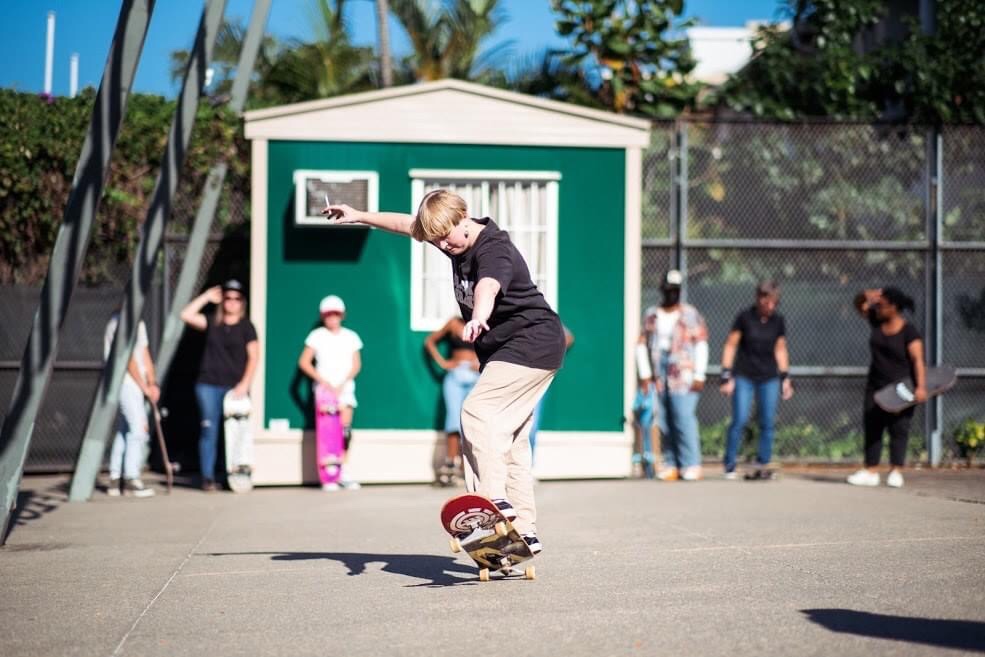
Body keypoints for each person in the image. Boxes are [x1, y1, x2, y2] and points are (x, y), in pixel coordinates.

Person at [322, 189, 566, 554]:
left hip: (531, 342)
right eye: (435, 239)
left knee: (476, 412)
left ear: (463, 218)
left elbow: (489, 284)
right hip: (518, 349)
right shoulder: (449, 237)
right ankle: (524, 529)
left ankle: (492, 502)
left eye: (445, 237)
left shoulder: (493, 247)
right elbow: (406, 224)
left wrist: (480, 316)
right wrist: (359, 215)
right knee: (511, 439)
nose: (443, 246)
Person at [179, 280, 259, 491]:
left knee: (234, 431)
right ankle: (207, 477)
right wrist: (206, 296)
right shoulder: (213, 322)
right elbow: (185, 315)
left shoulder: (247, 327)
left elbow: (254, 357)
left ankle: (230, 474)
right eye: (228, 298)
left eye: (236, 298)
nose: (232, 302)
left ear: (242, 302)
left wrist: (244, 384)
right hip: (208, 385)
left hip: (234, 388)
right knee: (209, 429)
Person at [848, 287, 926, 488]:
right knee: (873, 426)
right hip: (876, 385)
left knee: (899, 428)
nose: (877, 307)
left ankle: (896, 470)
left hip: (902, 387)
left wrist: (921, 387)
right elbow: (859, 306)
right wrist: (867, 295)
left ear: (894, 307)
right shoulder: (877, 322)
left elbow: (918, 360)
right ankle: (871, 470)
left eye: (882, 304)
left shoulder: (909, 331)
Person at [719, 281, 795, 481]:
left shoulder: (778, 321)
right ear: (759, 299)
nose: (770, 306)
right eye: (767, 301)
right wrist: (726, 375)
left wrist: (785, 377)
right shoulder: (745, 318)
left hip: (769, 377)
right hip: (744, 375)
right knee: (740, 419)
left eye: (774, 303)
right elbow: (730, 345)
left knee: (768, 422)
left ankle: (763, 463)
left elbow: (780, 349)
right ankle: (729, 464)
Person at [298, 295, 364, 491]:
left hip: (345, 390)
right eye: (328, 314)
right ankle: (328, 474)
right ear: (323, 316)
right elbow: (304, 362)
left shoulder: (351, 336)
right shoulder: (316, 336)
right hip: (324, 393)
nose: (332, 318)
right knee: (328, 433)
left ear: (342, 315)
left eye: (335, 314)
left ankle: (341, 471)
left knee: (345, 431)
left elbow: (356, 364)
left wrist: (343, 383)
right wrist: (323, 382)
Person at [649, 270, 708, 482]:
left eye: (675, 290)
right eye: (668, 289)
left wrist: (700, 373)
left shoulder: (690, 314)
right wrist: (646, 374)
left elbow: (700, 343)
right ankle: (672, 462)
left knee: (683, 417)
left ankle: (691, 463)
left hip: (683, 373)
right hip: (660, 373)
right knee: (664, 419)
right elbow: (642, 343)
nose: (671, 294)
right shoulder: (652, 314)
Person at [104, 312, 160, 497]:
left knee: (125, 429)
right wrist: (145, 388)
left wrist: (152, 383)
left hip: (138, 384)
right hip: (125, 382)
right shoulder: (118, 322)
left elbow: (144, 353)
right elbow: (127, 359)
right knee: (138, 429)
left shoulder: (139, 323)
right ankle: (131, 478)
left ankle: (115, 478)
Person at [424, 316, 479, 487]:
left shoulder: (483, 323)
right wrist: (442, 362)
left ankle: (467, 468)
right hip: (455, 374)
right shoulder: (453, 323)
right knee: (453, 419)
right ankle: (450, 465)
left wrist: (481, 362)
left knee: (470, 422)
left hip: (476, 375)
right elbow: (430, 342)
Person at [527, 325, 574, 468]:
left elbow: (569, 337)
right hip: (512, 379)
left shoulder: (544, 318)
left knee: (531, 426)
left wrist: (547, 355)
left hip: (537, 382)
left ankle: (527, 468)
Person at [632, 307, 660, 478]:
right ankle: (642, 462)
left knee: (654, 423)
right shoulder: (646, 338)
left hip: (666, 384)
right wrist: (645, 378)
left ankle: (656, 461)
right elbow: (641, 345)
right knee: (643, 423)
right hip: (649, 386)